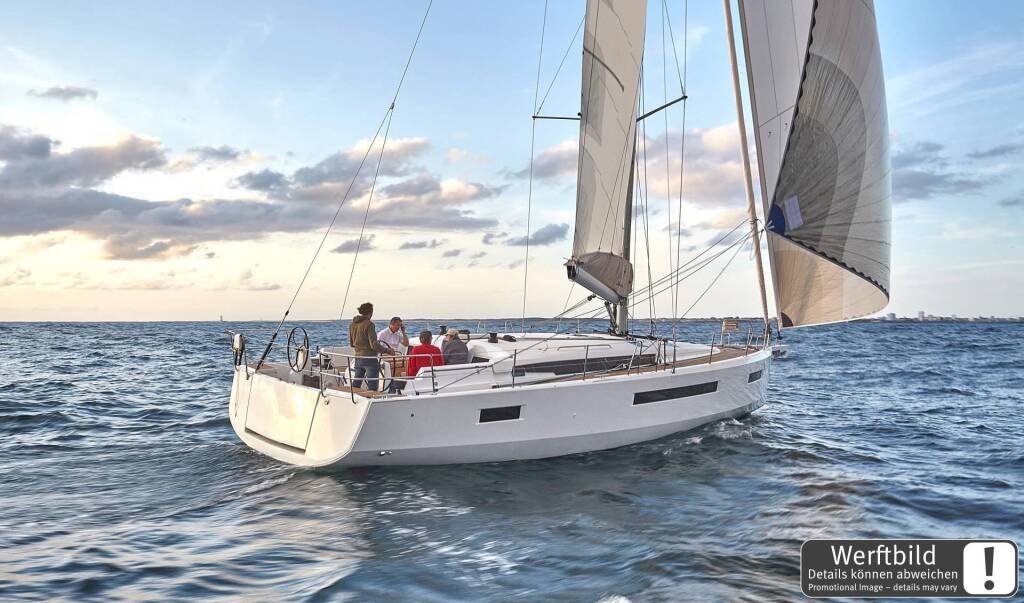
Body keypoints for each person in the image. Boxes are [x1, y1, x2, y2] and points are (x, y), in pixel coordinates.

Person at [348, 302, 389, 391]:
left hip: (358, 357)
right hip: (369, 359)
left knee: (356, 384)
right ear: (371, 312)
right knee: (372, 386)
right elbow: (374, 345)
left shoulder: (352, 324)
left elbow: (351, 343)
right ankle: (372, 398)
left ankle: (353, 397)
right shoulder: (369, 324)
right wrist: (387, 350)